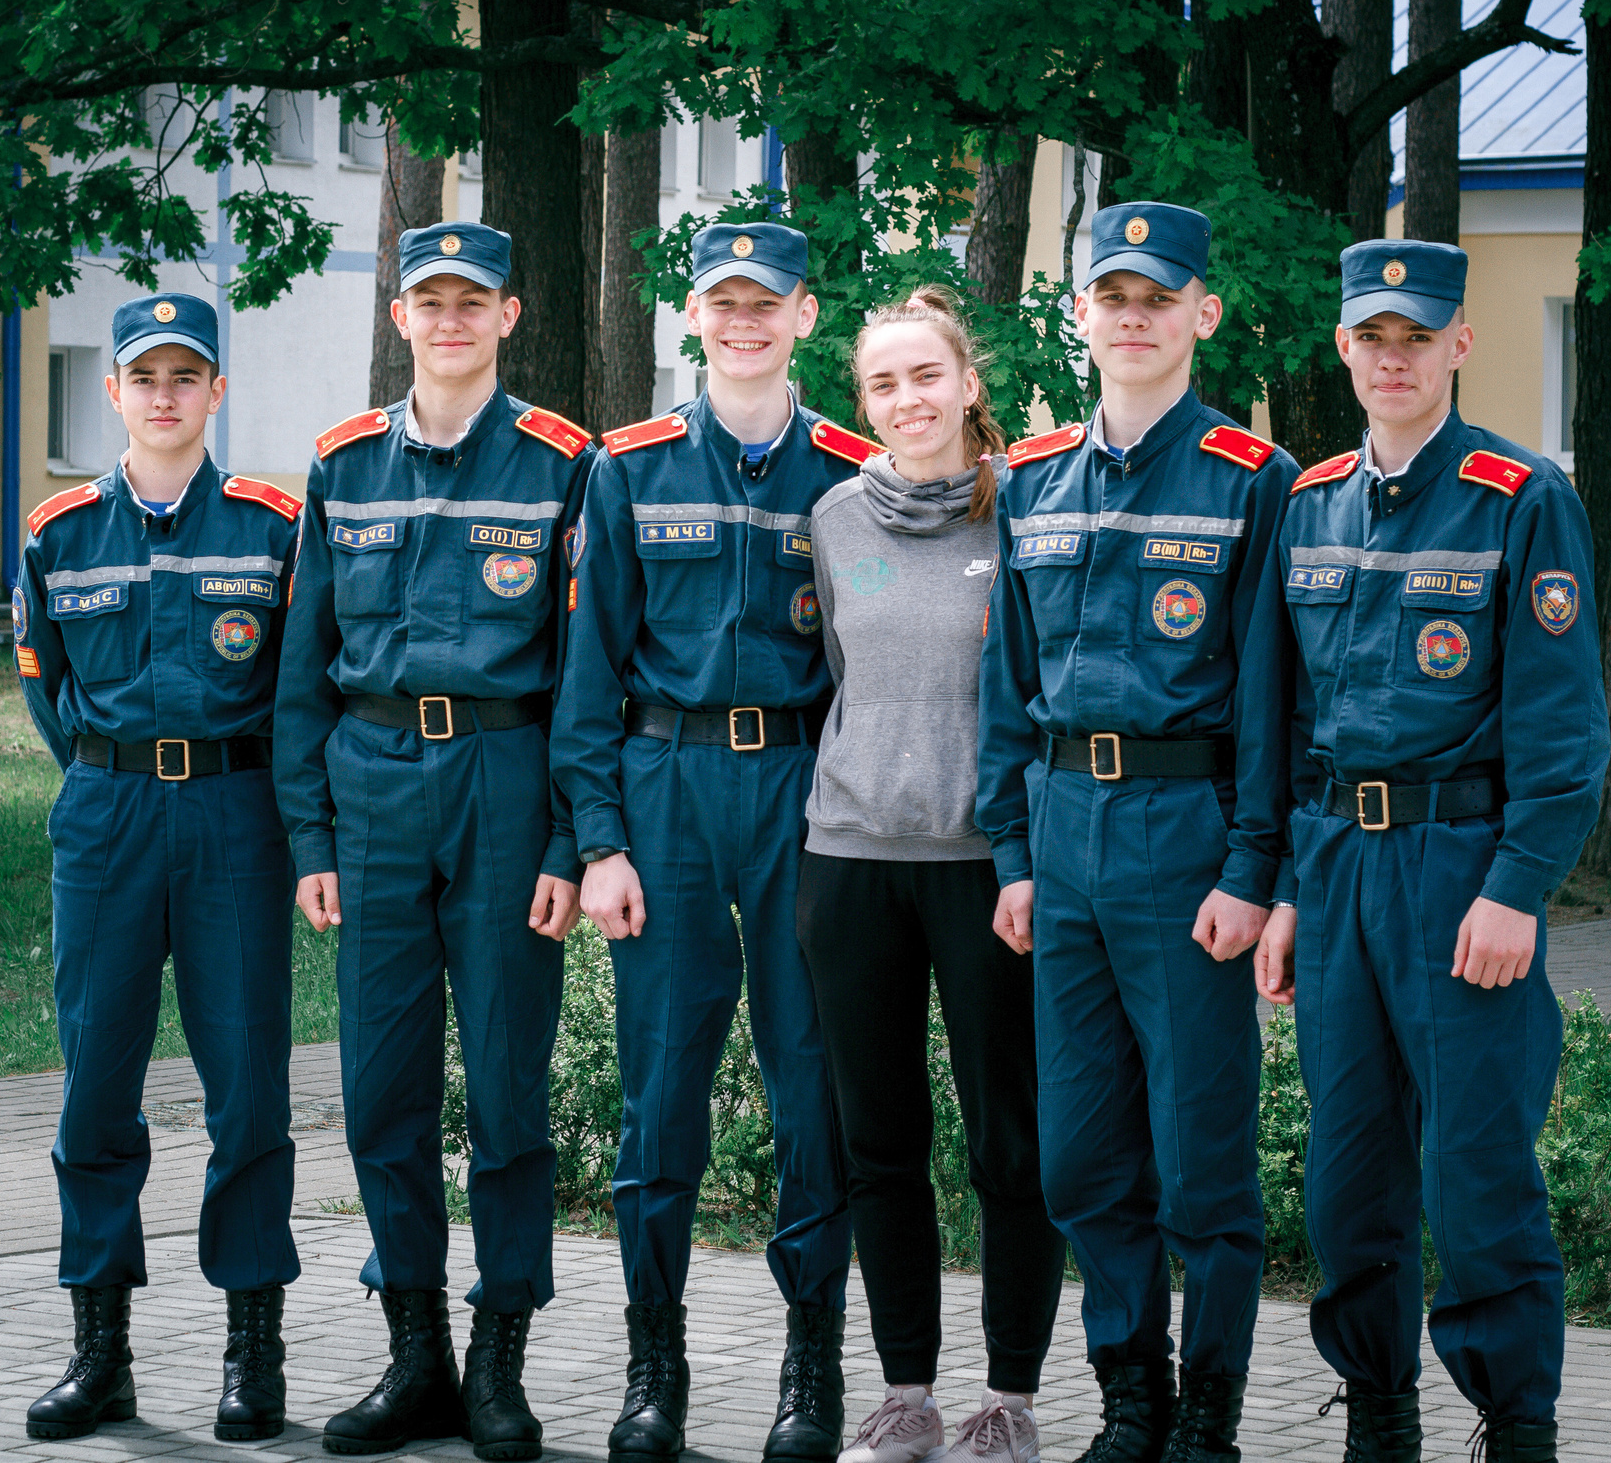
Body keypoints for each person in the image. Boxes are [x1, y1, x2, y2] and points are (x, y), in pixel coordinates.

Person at [1254, 241, 1604, 1463]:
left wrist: (1518, 888)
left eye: (1416, 336)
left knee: (1474, 1170)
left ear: (1458, 342)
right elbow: (1293, 725)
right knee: (1348, 1174)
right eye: (1372, 337)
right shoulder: (1309, 503)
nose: (1392, 358)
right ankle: (1378, 1415)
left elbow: (1564, 728)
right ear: (1343, 347)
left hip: (1461, 873)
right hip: (1336, 866)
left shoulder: (1519, 497)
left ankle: (1517, 1424)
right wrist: (1287, 891)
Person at [975, 202, 1297, 1463]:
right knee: (1079, 1157)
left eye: (1158, 299)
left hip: (1187, 833)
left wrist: (1253, 868)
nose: (1133, 318)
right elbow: (1007, 689)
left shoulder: (1250, 479)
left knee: (1202, 1156)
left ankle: (1207, 1408)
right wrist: (1012, 857)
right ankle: (1129, 1395)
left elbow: (1274, 698)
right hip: (1064, 836)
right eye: (1112, 297)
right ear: (1081, 315)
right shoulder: (1033, 480)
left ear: (1201, 314)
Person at [552, 220, 875, 1463]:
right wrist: (599, 843)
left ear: (803, 317)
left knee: (811, 1087)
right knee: (660, 1095)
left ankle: (811, 1369)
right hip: (666, 790)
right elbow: (588, 672)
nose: (743, 321)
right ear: (692, 316)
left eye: (765, 302)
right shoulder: (627, 468)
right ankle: (655, 1367)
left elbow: (879, 652)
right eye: (722, 301)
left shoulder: (850, 473)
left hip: (804, 794)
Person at [274, 221, 594, 1463]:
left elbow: (586, 674)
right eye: (430, 301)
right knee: (380, 1090)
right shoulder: (343, 464)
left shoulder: (565, 464)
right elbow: (302, 669)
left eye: (474, 300)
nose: (451, 320)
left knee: (508, 1084)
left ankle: (499, 1361)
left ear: (509, 315)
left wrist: (568, 842)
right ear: (399, 316)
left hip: (506, 781)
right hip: (373, 786)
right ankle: (414, 1358)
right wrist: (310, 834)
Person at [11, 291, 304, 1444]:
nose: (165, 395)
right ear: (115, 391)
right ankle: (101, 1353)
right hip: (107, 817)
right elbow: (46, 687)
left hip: (236, 815)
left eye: (186, 376)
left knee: (249, 1090)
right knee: (94, 1086)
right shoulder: (59, 533)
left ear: (216, 391)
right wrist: (113, 774)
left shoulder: (274, 529)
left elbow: (297, 688)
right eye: (145, 377)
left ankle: (252, 1350)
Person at [794, 285, 1065, 1463]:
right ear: (863, 403)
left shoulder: (1027, 514)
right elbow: (841, 676)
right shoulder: (832, 518)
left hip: (984, 869)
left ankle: (1008, 1400)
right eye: (883, 383)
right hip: (851, 863)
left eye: (925, 376)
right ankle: (905, 1395)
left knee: (1012, 1140)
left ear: (968, 384)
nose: (907, 398)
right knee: (879, 1140)